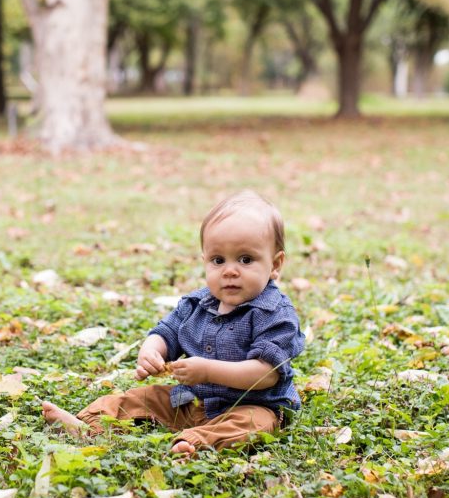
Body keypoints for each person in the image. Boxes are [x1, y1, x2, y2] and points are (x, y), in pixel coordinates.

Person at [42, 190, 305, 455]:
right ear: (205, 261)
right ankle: (89, 423)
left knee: (255, 424)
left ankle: (194, 443)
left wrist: (207, 371)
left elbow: (266, 374)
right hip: (191, 400)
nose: (230, 270)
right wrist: (152, 350)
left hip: (252, 405)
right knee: (143, 398)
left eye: (246, 259)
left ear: (275, 264)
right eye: (218, 260)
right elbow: (167, 332)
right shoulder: (196, 303)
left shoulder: (274, 313)